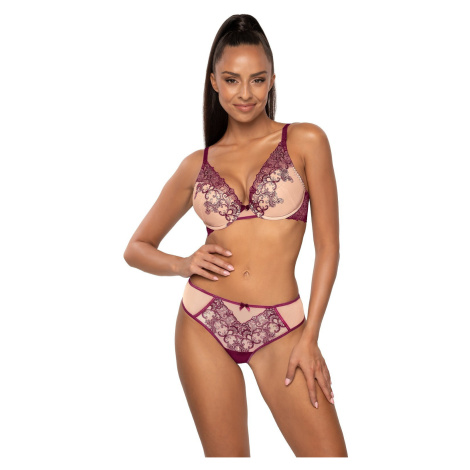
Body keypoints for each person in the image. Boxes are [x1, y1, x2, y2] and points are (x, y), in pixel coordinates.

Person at [123, 14, 348, 458]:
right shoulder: (197, 164)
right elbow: (136, 249)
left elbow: (329, 248)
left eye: (257, 80)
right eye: (231, 80)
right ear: (214, 82)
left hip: (281, 327)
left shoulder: (305, 141)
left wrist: (310, 337)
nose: (245, 93)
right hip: (204, 321)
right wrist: (183, 264)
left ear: (272, 81)